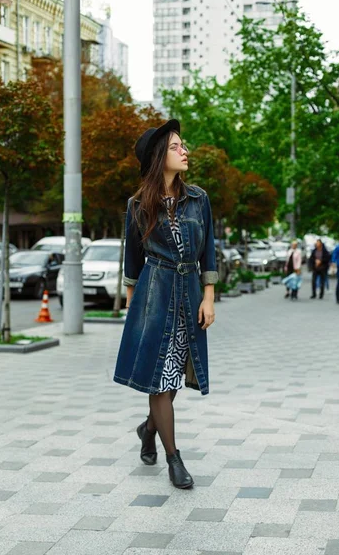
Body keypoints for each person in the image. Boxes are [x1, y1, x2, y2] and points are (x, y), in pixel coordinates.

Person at [114, 119, 218, 490]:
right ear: (160, 157)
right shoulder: (138, 205)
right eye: (176, 146)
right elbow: (132, 262)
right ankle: (174, 458)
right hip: (154, 298)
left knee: (171, 375)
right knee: (160, 378)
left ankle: (148, 428)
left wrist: (208, 297)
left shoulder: (199, 199)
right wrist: (132, 309)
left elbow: (209, 253)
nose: (184, 151)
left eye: (183, 145)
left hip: (189, 296)